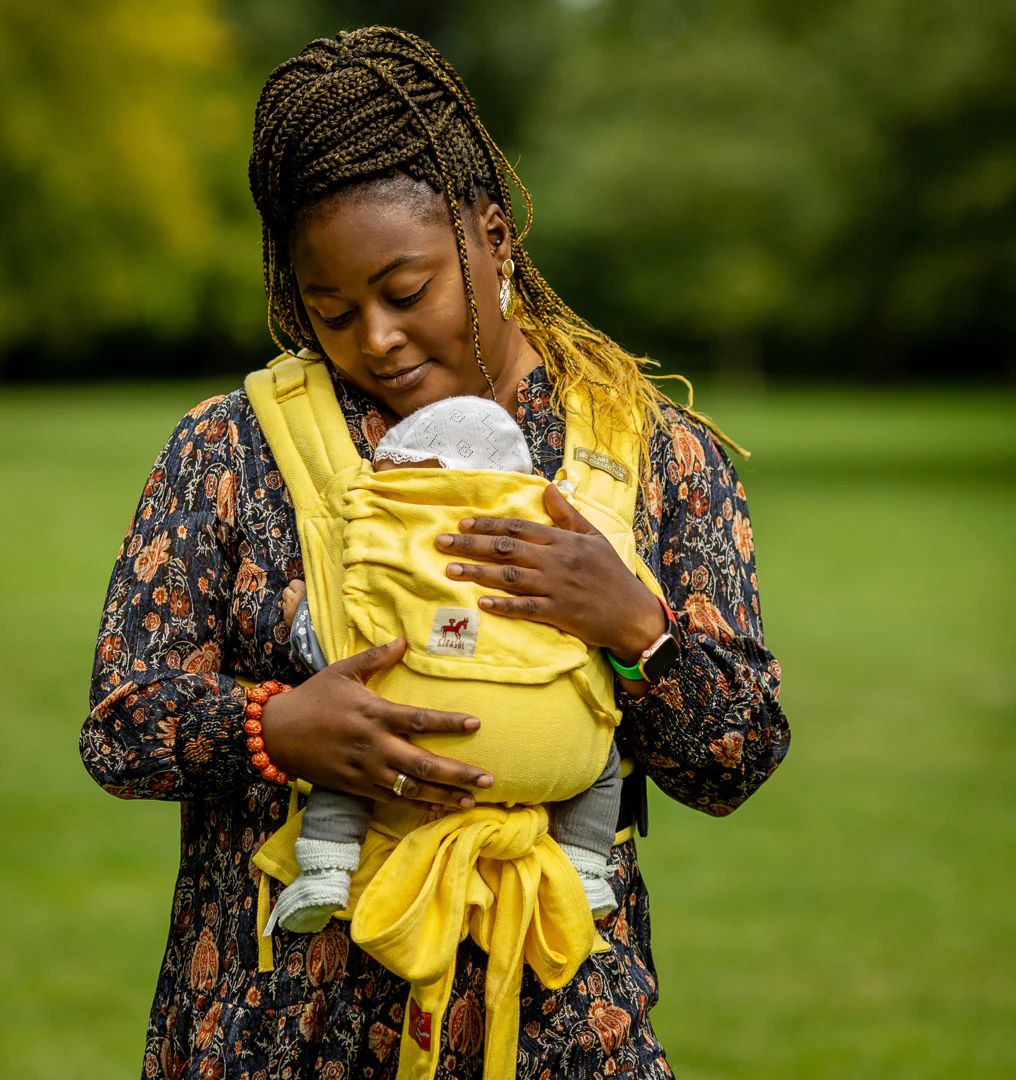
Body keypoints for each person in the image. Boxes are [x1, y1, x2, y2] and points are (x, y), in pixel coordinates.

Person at [81, 26, 790, 1080]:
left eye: (405, 292)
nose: (374, 339)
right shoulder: (233, 449)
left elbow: (736, 760)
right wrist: (276, 726)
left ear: (493, 238)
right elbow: (123, 727)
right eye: (332, 311)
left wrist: (637, 628)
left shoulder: (648, 451)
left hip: (555, 1030)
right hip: (280, 1028)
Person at [273, 393, 623, 935]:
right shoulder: (559, 539)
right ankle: (585, 866)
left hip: (414, 742)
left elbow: (344, 646)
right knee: (602, 755)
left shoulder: (395, 542)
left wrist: (301, 619)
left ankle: (325, 864)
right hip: (555, 753)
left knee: (350, 728)